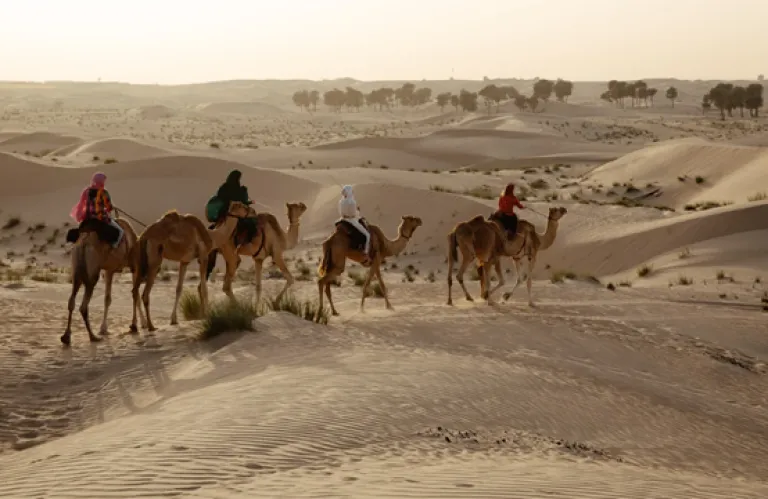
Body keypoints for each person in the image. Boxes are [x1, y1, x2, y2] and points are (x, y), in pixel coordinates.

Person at [70, 172, 124, 248]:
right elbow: (108, 208)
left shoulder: (87, 191)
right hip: (100, 219)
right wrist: (112, 207)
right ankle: (113, 247)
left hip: (87, 219)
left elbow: (83, 203)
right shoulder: (103, 192)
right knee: (121, 231)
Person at [212, 169, 257, 241]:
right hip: (237, 211)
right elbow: (243, 201)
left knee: (215, 226)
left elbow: (219, 197)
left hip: (224, 211)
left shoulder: (224, 187)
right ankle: (250, 240)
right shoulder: (241, 189)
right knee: (252, 222)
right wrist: (249, 202)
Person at [339, 185, 371, 263]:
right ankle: (365, 253)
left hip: (342, 220)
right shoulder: (352, 202)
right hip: (351, 220)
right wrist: (358, 211)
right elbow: (353, 214)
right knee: (367, 235)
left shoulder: (341, 201)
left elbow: (341, 213)